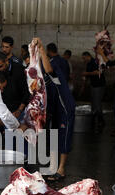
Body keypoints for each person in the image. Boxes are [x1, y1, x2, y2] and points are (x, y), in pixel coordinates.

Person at [41, 41, 75, 182]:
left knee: (64, 137)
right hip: (55, 108)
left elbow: (49, 69)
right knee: (54, 135)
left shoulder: (55, 72)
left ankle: (61, 169)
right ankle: (53, 166)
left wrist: (41, 49)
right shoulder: (48, 76)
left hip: (65, 107)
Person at [82, 51, 106, 132]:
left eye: (84, 58)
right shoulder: (88, 64)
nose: (83, 60)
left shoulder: (95, 62)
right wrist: (84, 84)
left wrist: (87, 73)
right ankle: (94, 118)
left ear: (87, 56)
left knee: (97, 102)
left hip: (99, 85)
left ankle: (101, 120)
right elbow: (87, 75)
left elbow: (98, 72)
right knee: (93, 102)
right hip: (93, 85)